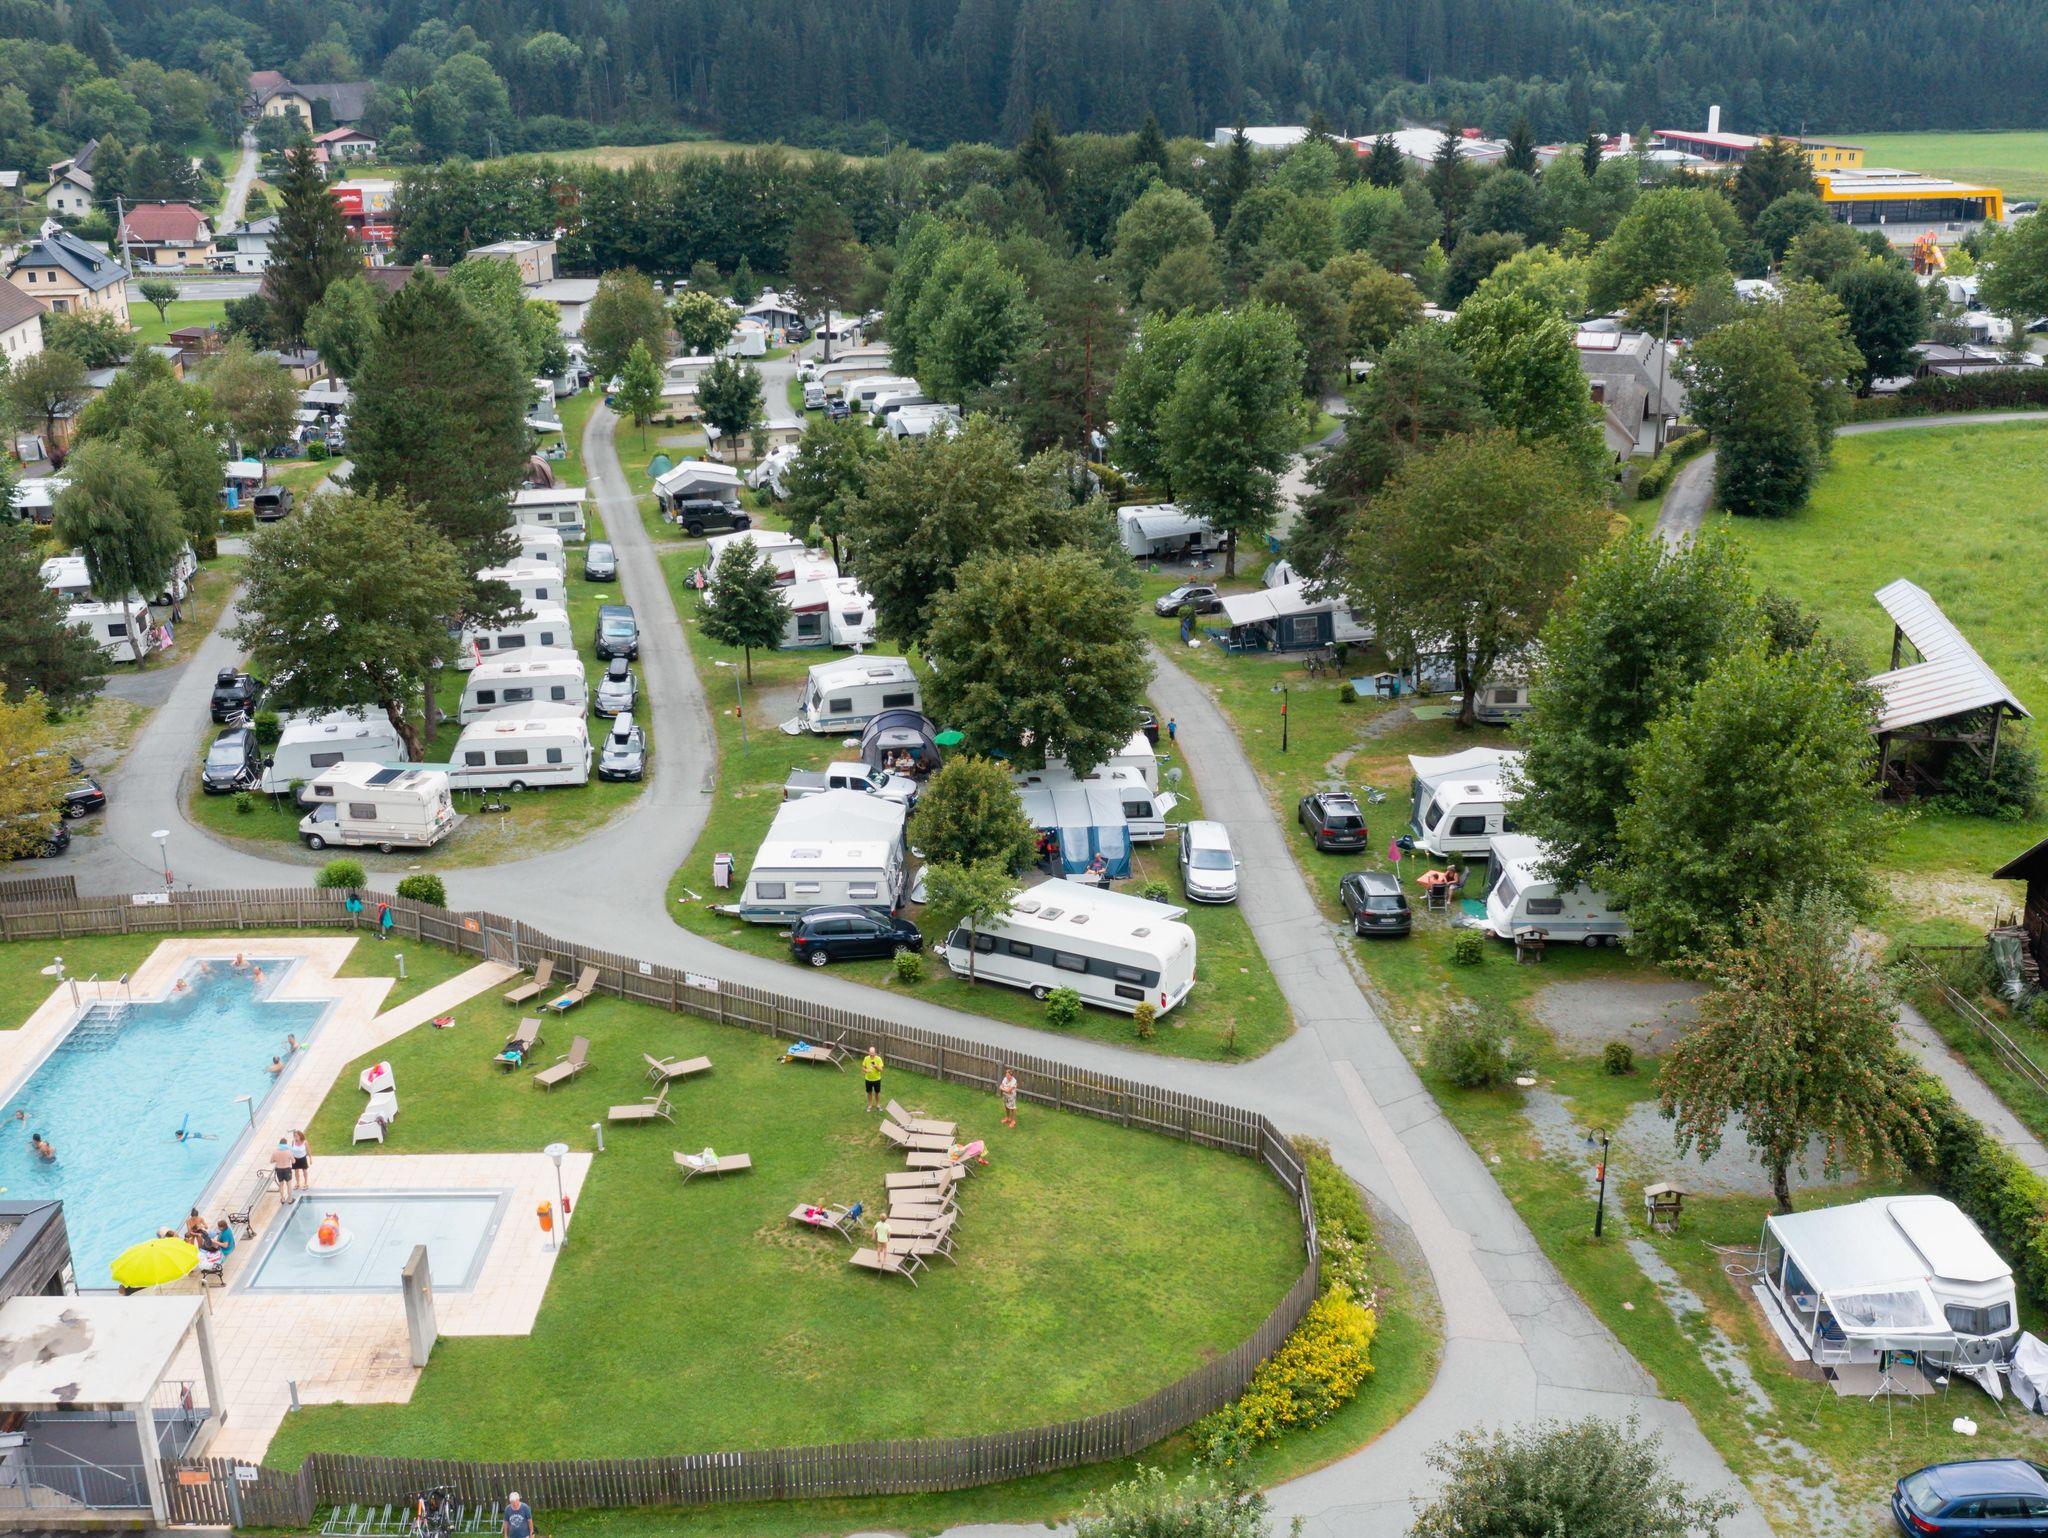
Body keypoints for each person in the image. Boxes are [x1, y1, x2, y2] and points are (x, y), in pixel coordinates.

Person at [270, 1138, 296, 1204]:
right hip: (287, 1169)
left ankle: (282, 1199)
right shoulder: (288, 1152)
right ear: (286, 1144)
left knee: (281, 1185)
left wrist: (277, 1160)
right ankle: (290, 1199)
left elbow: (271, 1161)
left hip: (279, 1169)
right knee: (289, 1185)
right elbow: (293, 1161)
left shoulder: (275, 1152)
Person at [861, 1046, 884, 1113]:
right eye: (870, 1053)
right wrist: (866, 1070)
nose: (872, 1055)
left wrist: (876, 1066)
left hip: (877, 1079)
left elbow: (881, 1070)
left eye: (873, 1053)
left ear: (875, 1053)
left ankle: (878, 1105)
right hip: (868, 1079)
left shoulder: (878, 1059)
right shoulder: (866, 1058)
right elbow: (863, 1068)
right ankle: (870, 1105)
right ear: (869, 1053)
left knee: (877, 1093)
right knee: (869, 1092)